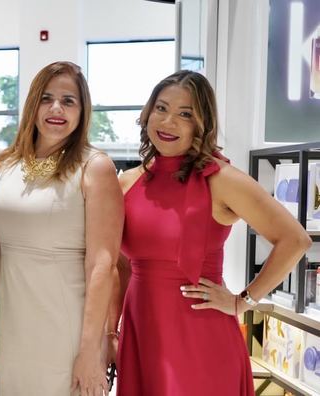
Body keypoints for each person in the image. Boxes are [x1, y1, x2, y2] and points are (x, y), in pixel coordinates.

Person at [109, 70, 312, 395]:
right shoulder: (127, 183)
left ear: (202, 124)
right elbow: (118, 266)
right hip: (141, 332)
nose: (168, 121)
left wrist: (242, 302)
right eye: (161, 108)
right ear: (147, 113)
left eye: (185, 114)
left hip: (200, 337)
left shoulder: (221, 179)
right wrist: (109, 333)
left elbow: (295, 240)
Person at [0, 61, 124, 396]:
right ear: (33, 105)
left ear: (82, 110)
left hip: (67, 329)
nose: (56, 108)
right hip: (13, 324)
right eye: (46, 98)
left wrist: (91, 350)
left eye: (68, 100)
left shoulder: (95, 167)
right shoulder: (5, 164)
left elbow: (102, 265)